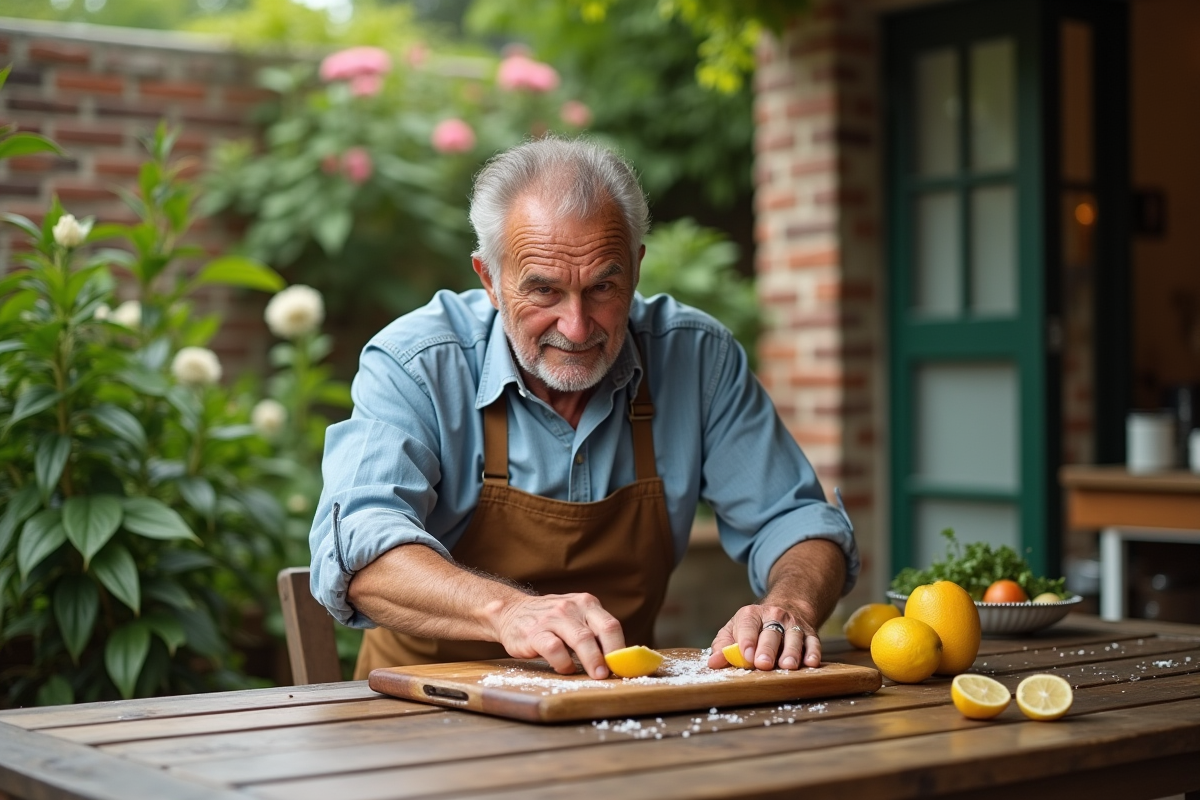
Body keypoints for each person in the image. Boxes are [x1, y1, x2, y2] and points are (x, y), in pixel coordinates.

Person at [309, 136, 859, 681]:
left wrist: (790, 606)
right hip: (424, 716)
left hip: (613, 708)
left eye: (602, 287)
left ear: (636, 269)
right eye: (544, 291)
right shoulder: (418, 363)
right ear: (490, 280)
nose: (576, 326)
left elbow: (795, 521)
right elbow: (361, 543)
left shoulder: (696, 359)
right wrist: (511, 613)